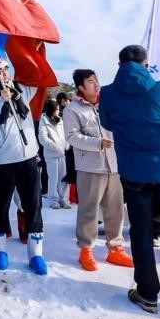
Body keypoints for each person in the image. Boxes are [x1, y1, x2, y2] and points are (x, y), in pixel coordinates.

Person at [98, 45, 160, 319]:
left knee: (142, 234)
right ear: (146, 65)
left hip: (133, 171)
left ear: (119, 64)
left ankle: (148, 292)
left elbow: (107, 122)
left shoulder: (107, 92)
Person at [0, 56, 47, 275]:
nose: (5, 73)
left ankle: (35, 253)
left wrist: (33, 51)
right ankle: (0, 250)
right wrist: (2, 99)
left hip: (27, 157)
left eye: (7, 69)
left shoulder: (21, 90)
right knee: (1, 205)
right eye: (0, 71)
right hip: (3, 160)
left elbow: (37, 77)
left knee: (33, 205)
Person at [63, 69, 132, 272]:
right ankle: (86, 250)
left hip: (114, 164)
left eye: (96, 80)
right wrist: (97, 143)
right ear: (81, 87)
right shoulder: (72, 109)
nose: (96, 84)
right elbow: (71, 136)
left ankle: (116, 249)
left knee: (115, 210)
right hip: (90, 166)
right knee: (89, 210)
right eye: (91, 82)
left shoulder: (108, 103)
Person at [38, 99, 70, 209]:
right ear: (51, 110)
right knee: (53, 177)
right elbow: (42, 138)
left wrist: (66, 145)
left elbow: (65, 134)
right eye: (56, 109)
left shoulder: (60, 120)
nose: (58, 111)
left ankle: (64, 199)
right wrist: (55, 147)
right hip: (51, 154)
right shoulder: (44, 120)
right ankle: (53, 199)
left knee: (64, 177)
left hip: (62, 153)